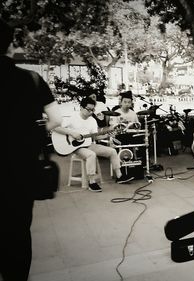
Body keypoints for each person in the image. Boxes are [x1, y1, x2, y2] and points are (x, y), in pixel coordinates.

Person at [1, 19, 63, 281]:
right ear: (11, 44)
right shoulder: (31, 79)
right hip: (20, 170)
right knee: (17, 233)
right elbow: (56, 119)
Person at [53, 97, 135, 192]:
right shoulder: (73, 117)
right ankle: (92, 182)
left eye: (93, 110)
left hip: (89, 145)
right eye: (89, 109)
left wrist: (107, 136)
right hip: (76, 148)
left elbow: (95, 137)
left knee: (112, 151)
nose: (91, 112)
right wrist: (72, 133)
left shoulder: (92, 120)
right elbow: (55, 128)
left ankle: (119, 176)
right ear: (81, 107)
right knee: (91, 155)